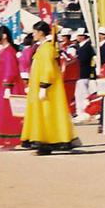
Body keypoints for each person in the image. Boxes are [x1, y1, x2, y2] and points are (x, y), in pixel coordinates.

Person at [21, 22, 78, 155]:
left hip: (47, 88)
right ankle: (44, 143)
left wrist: (44, 86)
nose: (33, 34)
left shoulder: (47, 48)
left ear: (41, 33)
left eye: (35, 32)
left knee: (47, 115)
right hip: (39, 86)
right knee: (43, 115)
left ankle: (47, 141)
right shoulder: (43, 47)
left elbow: (48, 68)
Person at [73, 30, 96, 123]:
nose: (77, 37)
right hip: (80, 74)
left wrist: (76, 59)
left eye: (79, 35)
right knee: (79, 94)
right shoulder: (81, 46)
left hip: (84, 73)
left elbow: (83, 59)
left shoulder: (87, 46)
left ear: (83, 36)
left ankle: (84, 112)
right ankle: (80, 112)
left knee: (83, 94)